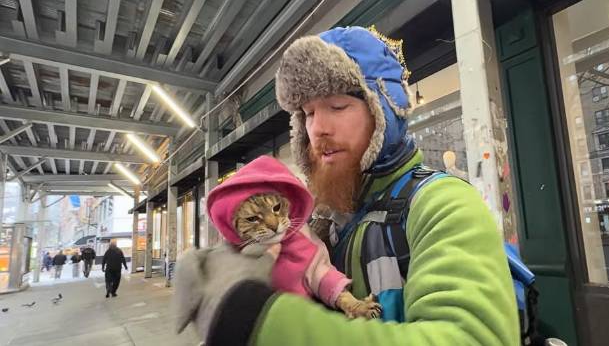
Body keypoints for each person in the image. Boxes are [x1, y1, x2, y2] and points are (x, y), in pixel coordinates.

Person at [174, 26, 518, 345]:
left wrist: (257, 319)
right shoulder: (325, 220)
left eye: (337, 105)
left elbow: (473, 337)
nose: (317, 128)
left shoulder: (443, 204)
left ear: (382, 111)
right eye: (307, 114)